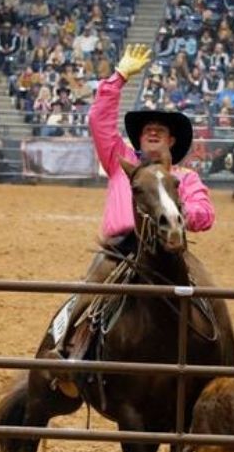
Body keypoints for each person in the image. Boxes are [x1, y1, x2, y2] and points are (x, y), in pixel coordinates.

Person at [50, 44, 215, 361]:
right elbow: (99, 119)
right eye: (146, 130)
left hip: (171, 251)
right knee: (87, 296)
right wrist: (119, 77)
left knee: (211, 302)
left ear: (172, 140)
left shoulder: (185, 178)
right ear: (138, 140)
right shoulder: (119, 161)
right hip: (120, 251)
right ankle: (66, 356)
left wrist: (175, 213)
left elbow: (205, 214)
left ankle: (217, 357)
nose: (152, 131)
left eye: (160, 129)